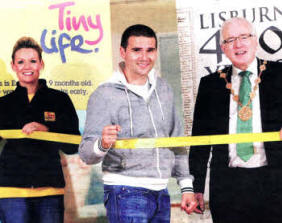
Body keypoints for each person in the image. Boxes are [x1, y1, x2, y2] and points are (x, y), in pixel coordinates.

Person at [79, 24, 197, 222]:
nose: (144, 57)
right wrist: (102, 143)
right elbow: (85, 154)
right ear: (122, 52)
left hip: (161, 191)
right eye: (136, 50)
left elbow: (176, 141)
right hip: (125, 191)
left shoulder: (164, 89)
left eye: (150, 50)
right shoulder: (104, 94)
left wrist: (186, 186)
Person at [189, 17, 282, 223]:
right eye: (230, 40)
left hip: (275, 182)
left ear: (255, 40)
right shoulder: (210, 85)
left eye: (243, 37)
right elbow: (199, 141)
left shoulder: (279, 75)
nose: (238, 44)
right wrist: (196, 187)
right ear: (223, 47)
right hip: (228, 186)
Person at [0, 37, 80, 223]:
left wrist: (47, 129)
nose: (27, 66)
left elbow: (73, 145)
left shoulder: (60, 100)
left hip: (49, 190)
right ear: (13, 66)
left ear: (41, 64)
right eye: (21, 62)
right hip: (11, 190)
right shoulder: (3, 104)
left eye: (33, 61)